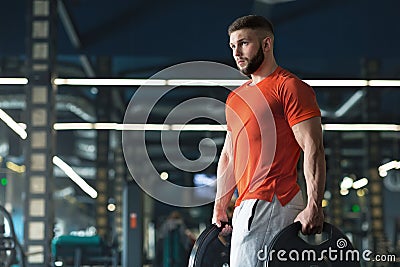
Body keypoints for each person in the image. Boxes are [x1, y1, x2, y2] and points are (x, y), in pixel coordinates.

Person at [211, 15, 326, 266]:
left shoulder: (290, 87)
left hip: (274, 200)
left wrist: (314, 205)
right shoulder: (236, 98)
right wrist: (221, 205)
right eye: (233, 46)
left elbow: (313, 148)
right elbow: (229, 156)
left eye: (244, 43)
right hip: (245, 205)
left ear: (266, 44)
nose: (237, 52)